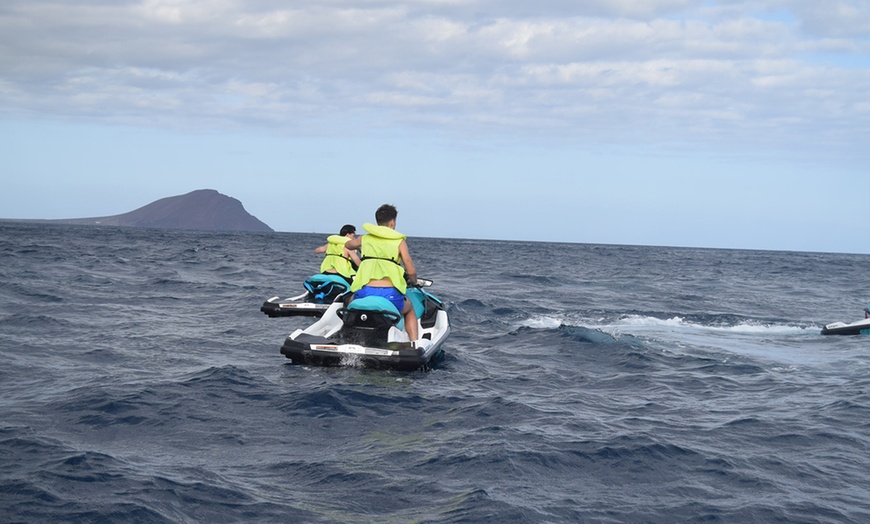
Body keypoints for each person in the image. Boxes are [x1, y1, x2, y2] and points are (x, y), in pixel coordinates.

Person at [345, 204, 419, 341]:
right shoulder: (399, 242)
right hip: (389, 295)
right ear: (392, 222)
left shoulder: (365, 238)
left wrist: (360, 246)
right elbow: (411, 270)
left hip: (365, 292)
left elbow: (348, 245)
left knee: (350, 302)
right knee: (409, 310)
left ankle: (347, 335)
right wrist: (413, 281)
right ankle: (415, 343)